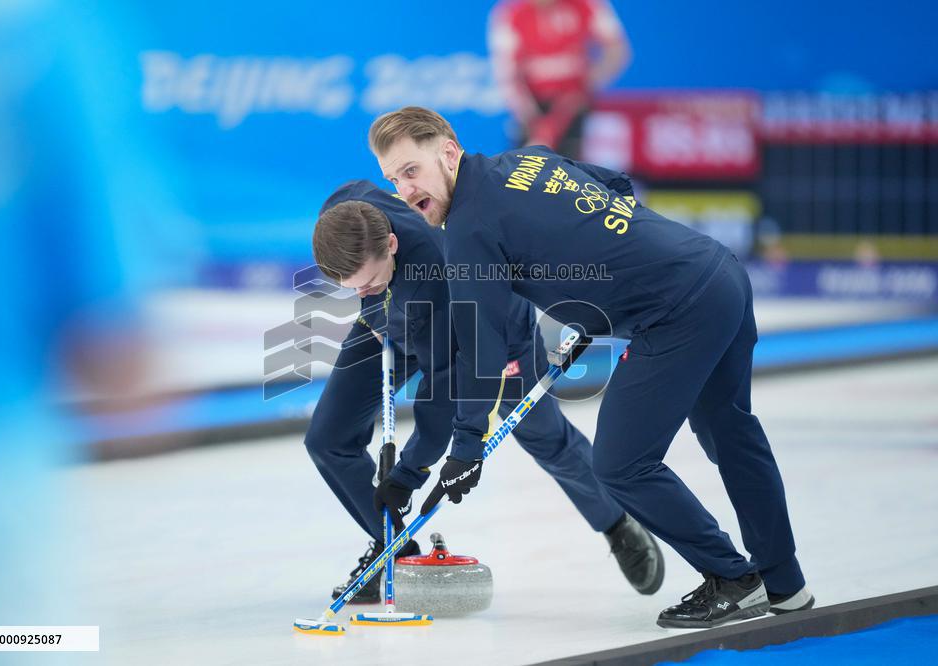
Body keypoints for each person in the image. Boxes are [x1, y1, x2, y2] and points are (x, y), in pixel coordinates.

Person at [369, 107, 814, 628]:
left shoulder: (468, 229)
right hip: (716, 271)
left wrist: (467, 449)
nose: (403, 189)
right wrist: (594, 296)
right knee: (732, 434)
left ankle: (735, 578)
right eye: (393, 179)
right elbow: (614, 187)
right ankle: (786, 586)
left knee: (622, 465)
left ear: (448, 153)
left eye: (410, 170)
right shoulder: (525, 160)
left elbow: (484, 350)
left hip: (677, 313)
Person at [306, 180, 664, 603]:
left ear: (392, 243)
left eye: (364, 282)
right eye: (351, 287)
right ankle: (395, 552)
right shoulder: (348, 213)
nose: (358, 292)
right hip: (394, 320)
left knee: (544, 436)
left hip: (487, 331)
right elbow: (358, 194)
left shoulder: (434, 277)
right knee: (327, 439)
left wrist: (407, 474)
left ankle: (615, 521)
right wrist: (370, 291)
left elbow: (441, 404)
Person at [488, 0, 631, 158]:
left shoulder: (587, 5)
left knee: (574, 168)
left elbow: (617, 50)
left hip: (576, 106)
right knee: (526, 169)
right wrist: (529, 116)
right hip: (533, 105)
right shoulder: (510, 12)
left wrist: (590, 84)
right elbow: (506, 74)